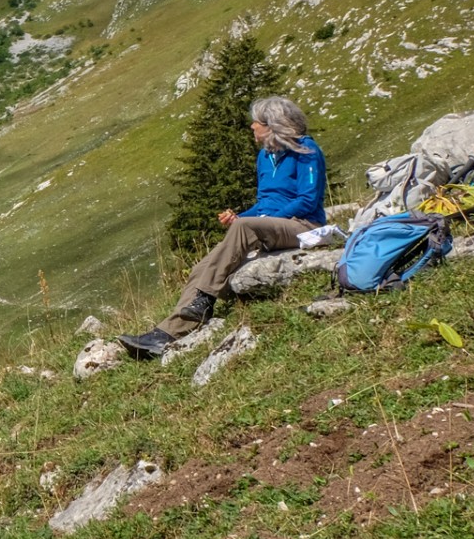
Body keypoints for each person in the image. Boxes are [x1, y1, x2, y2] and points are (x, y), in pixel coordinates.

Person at [119, 95, 327, 359]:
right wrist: (242, 216)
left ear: (273, 125)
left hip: (303, 225)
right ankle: (166, 334)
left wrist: (256, 222)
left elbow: (307, 200)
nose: (252, 126)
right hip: (271, 225)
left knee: (243, 229)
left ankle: (204, 301)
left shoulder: (306, 150)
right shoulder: (265, 156)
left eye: (257, 122)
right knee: (202, 267)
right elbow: (264, 203)